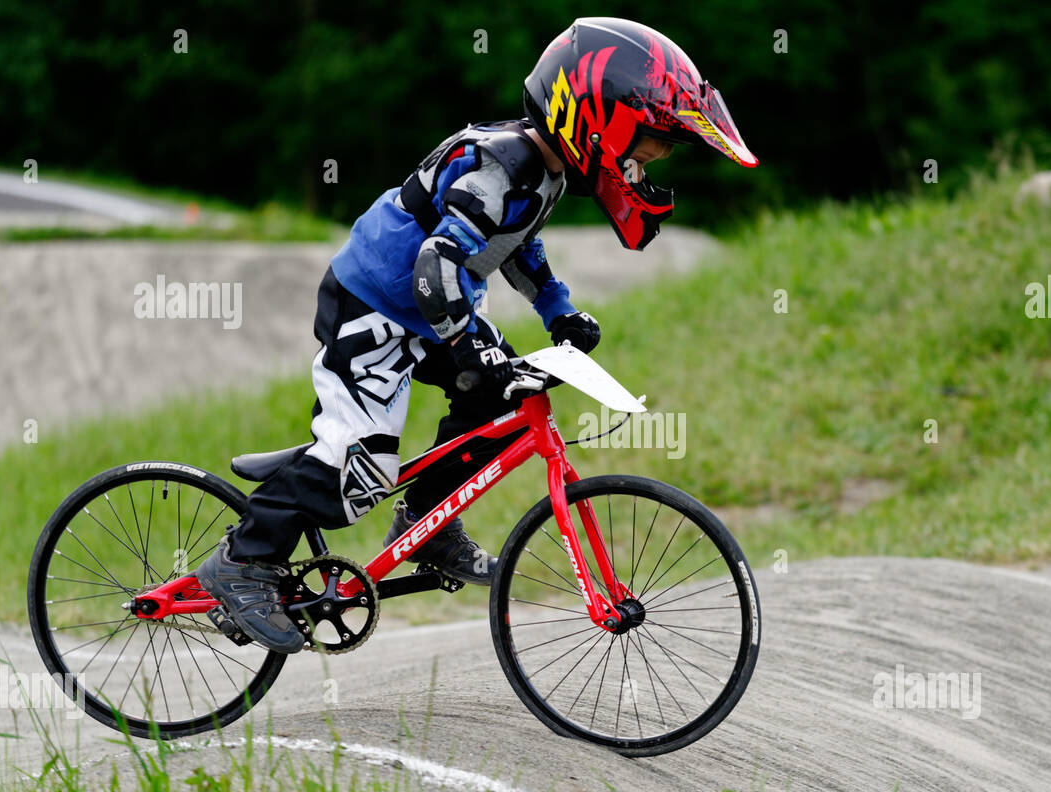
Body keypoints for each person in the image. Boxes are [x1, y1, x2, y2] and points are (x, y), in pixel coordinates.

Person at [196, 16, 758, 653]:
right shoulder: (504, 164)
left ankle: (426, 524)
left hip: (432, 305)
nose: (643, 165)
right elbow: (435, 262)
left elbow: (517, 245)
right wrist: (467, 345)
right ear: (596, 121)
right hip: (375, 303)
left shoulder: (543, 171)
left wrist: (558, 310)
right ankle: (242, 562)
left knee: (502, 396)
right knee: (361, 474)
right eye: (646, 147)